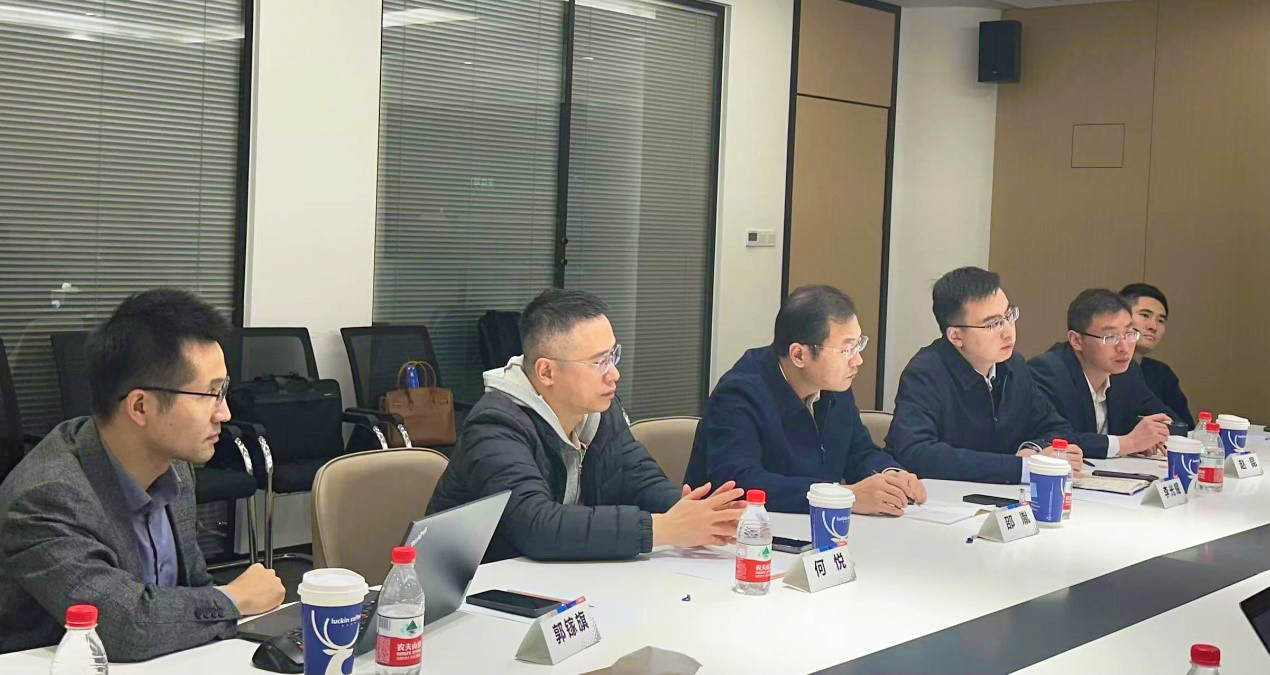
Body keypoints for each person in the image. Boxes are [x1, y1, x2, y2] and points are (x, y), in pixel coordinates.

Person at [0, 289, 284, 660]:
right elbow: (120, 627)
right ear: (140, 406)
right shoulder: (45, 498)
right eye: (211, 394)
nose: (225, 413)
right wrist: (233, 598)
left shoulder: (173, 466)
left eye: (224, 391)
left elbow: (192, 587)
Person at [427, 289, 745, 562]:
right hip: (474, 591)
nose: (614, 374)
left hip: (552, 580)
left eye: (613, 356)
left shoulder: (599, 410)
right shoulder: (495, 425)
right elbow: (536, 526)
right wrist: (662, 528)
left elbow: (639, 477)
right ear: (547, 372)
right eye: (598, 362)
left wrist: (693, 515)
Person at [685, 285, 925, 515]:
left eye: (858, 345)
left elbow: (859, 452)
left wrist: (892, 475)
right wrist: (844, 496)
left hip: (815, 527)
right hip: (743, 533)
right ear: (799, 355)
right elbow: (740, 483)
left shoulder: (834, 386)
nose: (857, 360)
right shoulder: (738, 394)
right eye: (846, 350)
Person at [887, 267, 1083, 483]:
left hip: (1003, 494)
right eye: (994, 324)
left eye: (1009, 316)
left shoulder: (1013, 365)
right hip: (939, 496)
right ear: (955, 336)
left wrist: (1033, 449)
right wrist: (1021, 467)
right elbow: (918, 453)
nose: (1008, 331)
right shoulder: (926, 372)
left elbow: (1057, 427)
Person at [1029, 289, 1176, 459]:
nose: (1124, 348)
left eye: (1129, 334)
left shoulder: (1128, 373)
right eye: (1111, 337)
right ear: (1076, 340)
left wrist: (1152, 436)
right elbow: (1055, 438)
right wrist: (1128, 443)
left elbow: (1167, 419)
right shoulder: (1047, 372)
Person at [1120, 283, 1194, 428]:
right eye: (1145, 315)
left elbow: (1185, 427)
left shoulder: (1162, 374)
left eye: (1160, 320)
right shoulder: (1100, 369)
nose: (1153, 326)